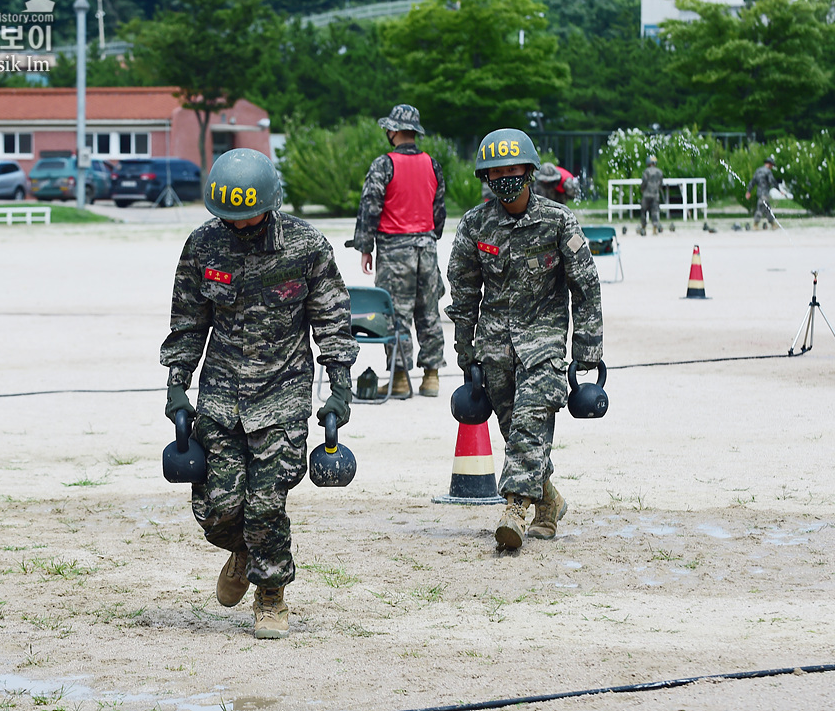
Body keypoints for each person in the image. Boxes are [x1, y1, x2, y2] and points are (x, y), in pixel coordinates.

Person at [160, 148, 358, 639]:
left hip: (283, 392)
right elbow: (188, 321)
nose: (239, 225)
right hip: (221, 395)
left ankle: (271, 595)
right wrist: (176, 386)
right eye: (229, 216)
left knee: (267, 503)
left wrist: (338, 389)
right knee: (215, 510)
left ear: (269, 204)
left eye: (247, 215)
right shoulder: (204, 245)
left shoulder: (306, 246)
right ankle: (242, 549)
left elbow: (332, 321)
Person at [446, 128, 603, 549]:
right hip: (494, 349)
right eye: (496, 171)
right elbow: (463, 296)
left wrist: (587, 353)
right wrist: (466, 354)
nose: (505, 178)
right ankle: (548, 503)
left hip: (545, 345)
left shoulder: (558, 221)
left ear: (530, 171)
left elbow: (585, 287)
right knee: (518, 433)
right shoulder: (475, 225)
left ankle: (513, 510)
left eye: (513, 169)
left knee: (531, 421)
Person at [350, 103, 447, 398]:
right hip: (427, 248)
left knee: (396, 315)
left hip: (394, 251)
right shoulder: (432, 164)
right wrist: (429, 238)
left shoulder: (384, 164)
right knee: (429, 311)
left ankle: (401, 377)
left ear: (393, 131)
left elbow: (370, 208)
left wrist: (365, 247)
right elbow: (438, 211)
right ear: (414, 132)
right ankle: (431, 377)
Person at [746, 154, 778, 230]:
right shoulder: (768, 172)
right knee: (761, 208)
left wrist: (749, 191)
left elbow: (753, 182)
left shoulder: (758, 171)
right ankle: (755, 225)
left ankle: (772, 224)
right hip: (765, 193)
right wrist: (779, 189)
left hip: (759, 193)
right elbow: (772, 181)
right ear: (770, 164)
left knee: (766, 208)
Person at [638, 155, 663, 235]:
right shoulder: (659, 172)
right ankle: (654, 229)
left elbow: (644, 182)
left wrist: (642, 189)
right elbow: (661, 184)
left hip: (646, 194)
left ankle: (643, 228)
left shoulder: (646, 171)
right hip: (655, 195)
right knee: (655, 211)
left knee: (643, 211)